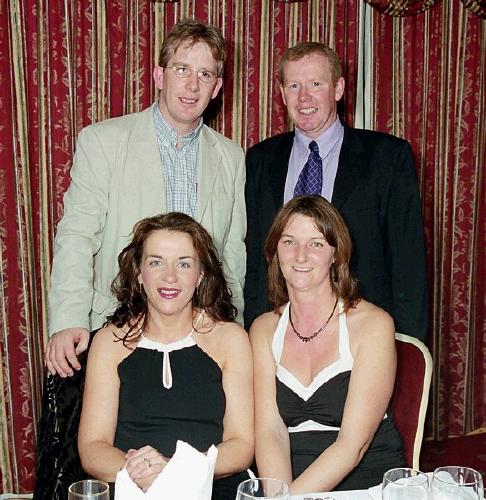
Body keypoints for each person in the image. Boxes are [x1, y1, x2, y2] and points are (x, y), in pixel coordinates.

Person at [46, 18, 246, 378]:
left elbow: (231, 253)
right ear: (159, 75)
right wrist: (69, 319)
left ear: (216, 87)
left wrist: (235, 331)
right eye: (182, 69)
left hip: (201, 334)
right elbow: (76, 236)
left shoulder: (232, 157)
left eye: (204, 75)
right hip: (118, 329)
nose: (191, 85)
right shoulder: (103, 142)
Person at [244, 42, 428, 341]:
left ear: (338, 88)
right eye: (294, 85)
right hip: (281, 334)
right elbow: (254, 258)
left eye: (316, 84)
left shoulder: (387, 157)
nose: (304, 97)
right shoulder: (260, 160)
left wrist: (407, 349)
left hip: (362, 334)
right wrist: (254, 331)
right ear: (282, 94)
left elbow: (409, 265)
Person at [77, 212, 254, 500]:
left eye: (183, 264)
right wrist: (145, 475)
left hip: (209, 487)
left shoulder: (231, 339)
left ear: (200, 275)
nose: (169, 276)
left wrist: (176, 472)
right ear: (138, 273)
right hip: (130, 487)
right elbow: (93, 447)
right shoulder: (109, 341)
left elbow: (241, 445)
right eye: (156, 262)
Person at [250, 195, 405, 494]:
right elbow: (270, 431)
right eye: (289, 242)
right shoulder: (263, 329)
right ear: (274, 251)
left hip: (364, 481)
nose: (300, 256)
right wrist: (278, 494)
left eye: (316, 244)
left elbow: (352, 446)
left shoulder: (373, 325)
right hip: (287, 481)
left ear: (336, 254)